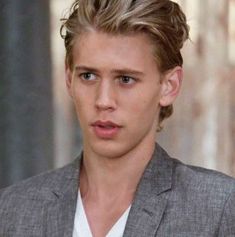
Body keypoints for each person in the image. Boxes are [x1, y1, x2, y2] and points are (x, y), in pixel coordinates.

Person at [1, 0, 235, 236]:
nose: (103, 101)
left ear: (169, 86)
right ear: (69, 79)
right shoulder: (13, 209)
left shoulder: (218, 208)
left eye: (125, 79)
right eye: (88, 76)